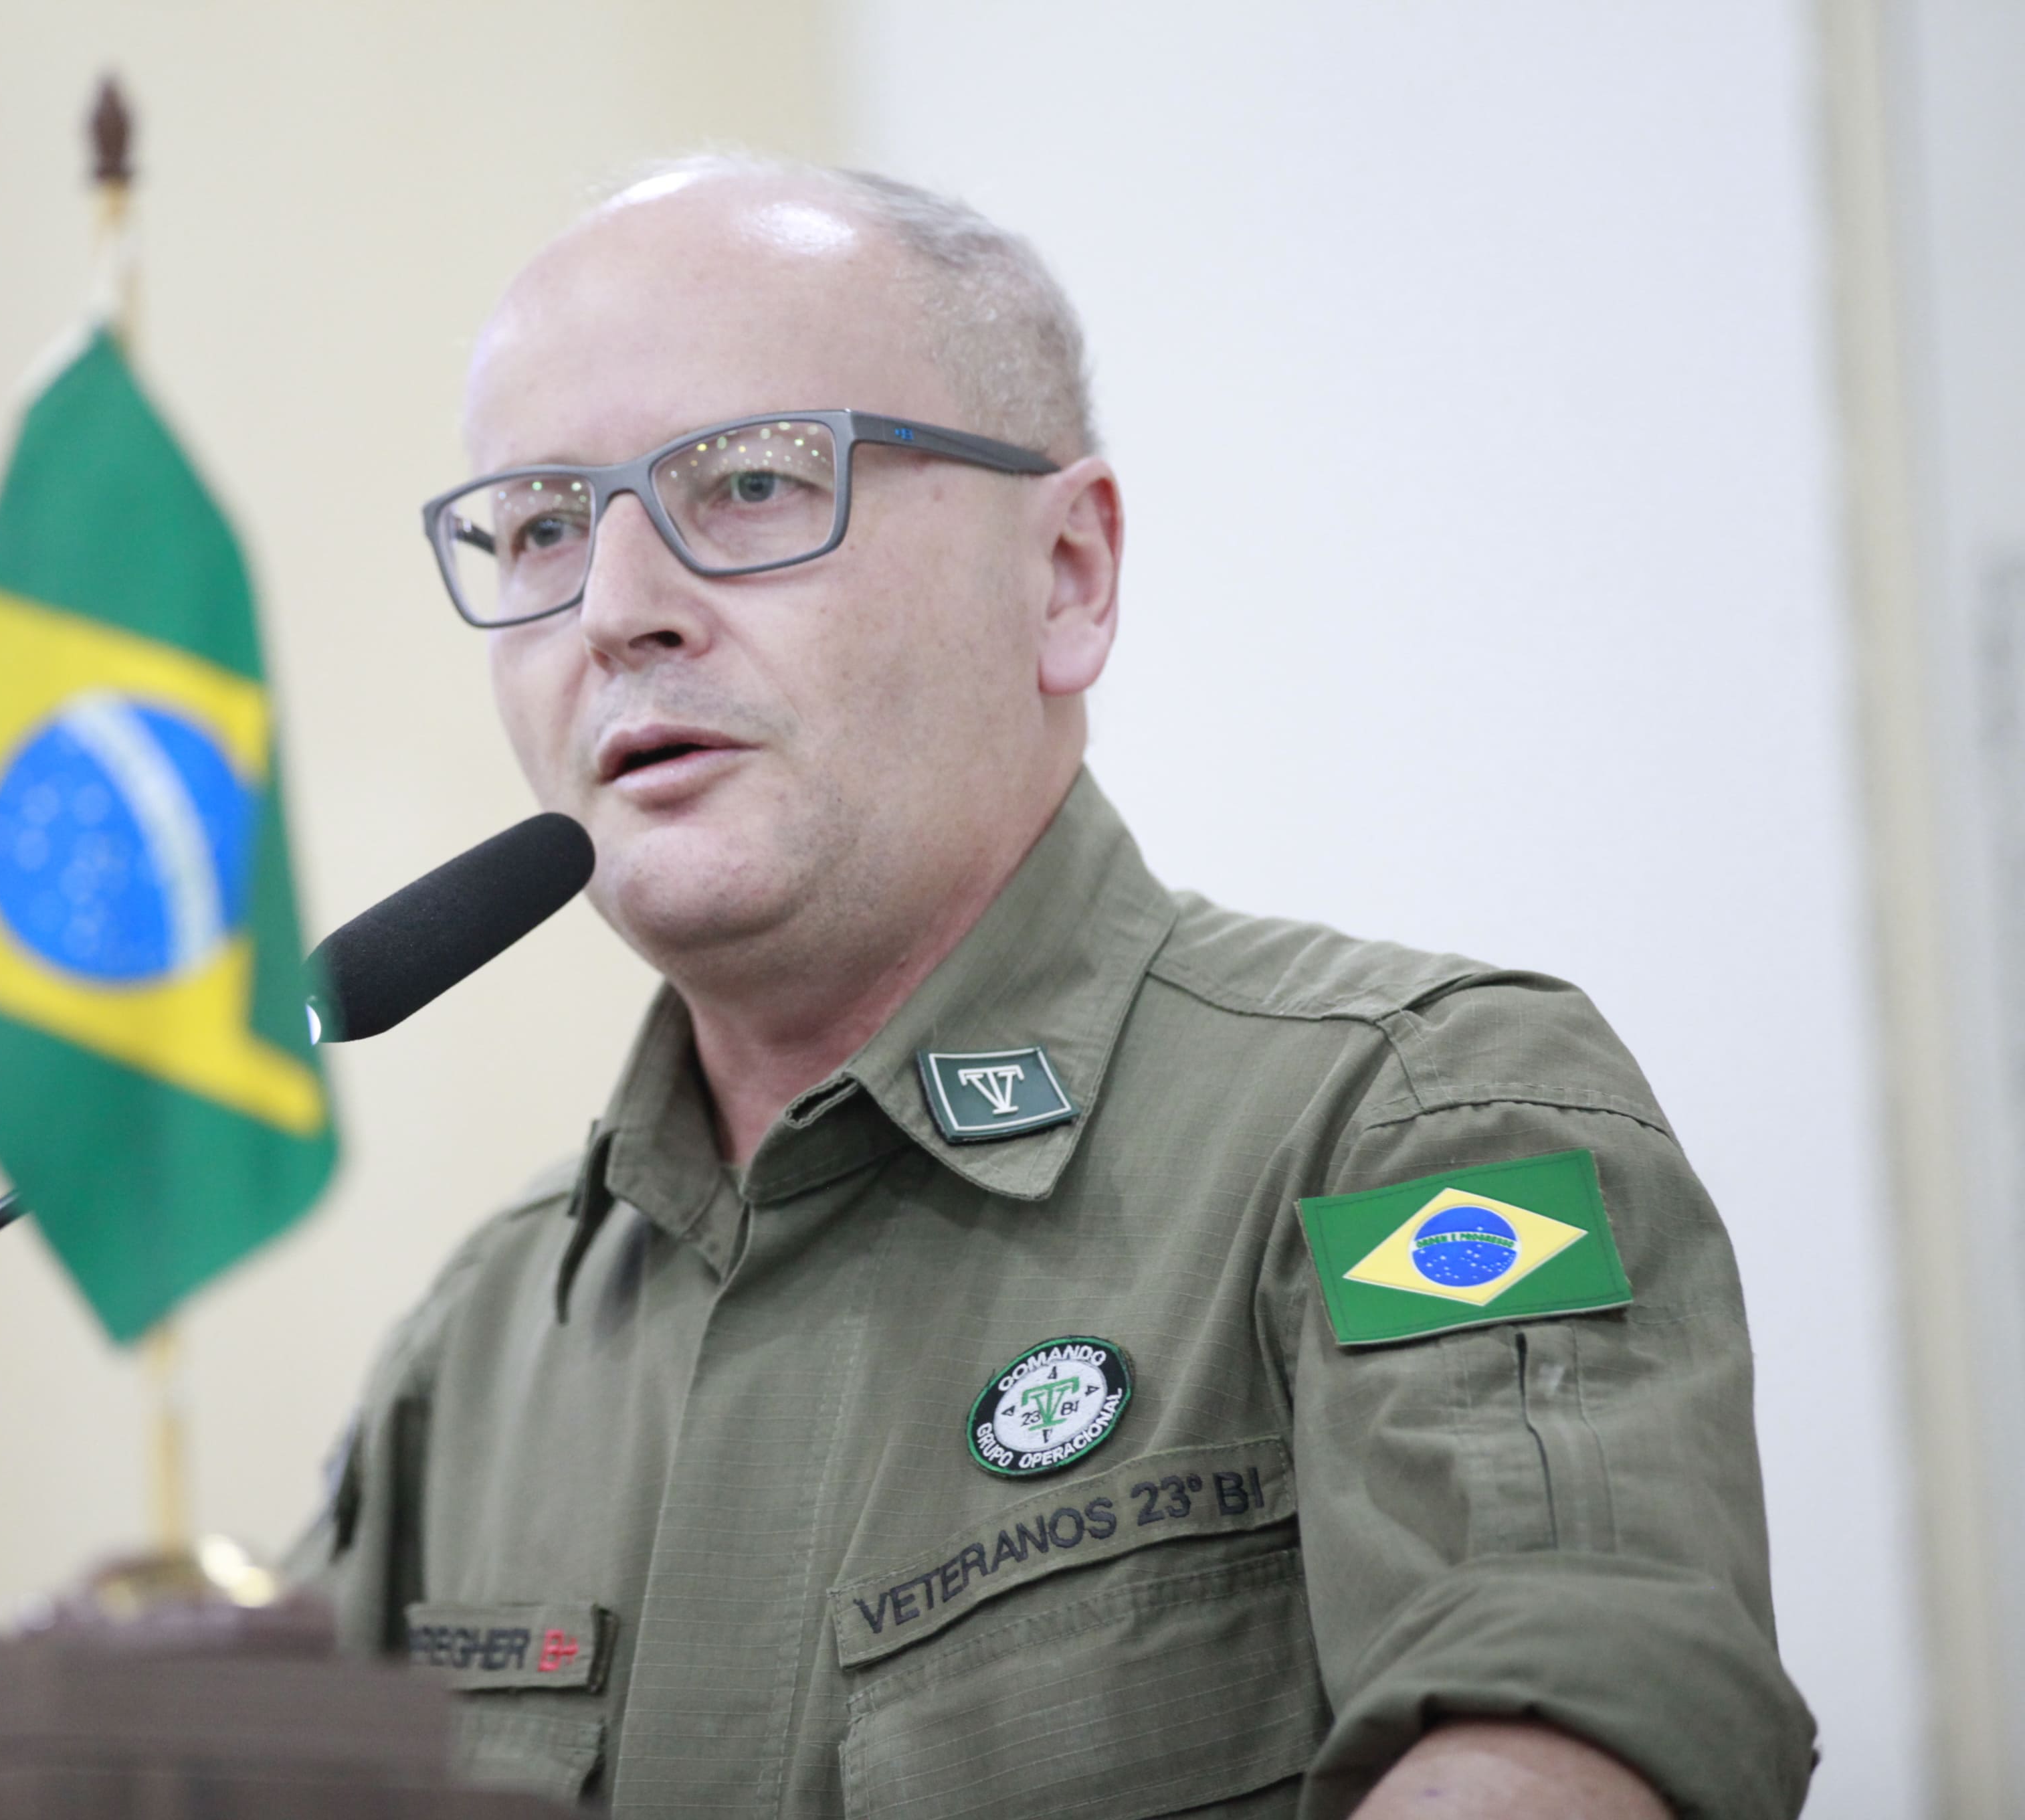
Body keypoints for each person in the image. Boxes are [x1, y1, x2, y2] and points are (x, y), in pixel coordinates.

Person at [288, 155, 1814, 1819]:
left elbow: (1561, 1730)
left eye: (746, 487)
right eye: (542, 525)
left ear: (1068, 573)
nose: (617, 610)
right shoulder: (488, 1339)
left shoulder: (1409, 1129)